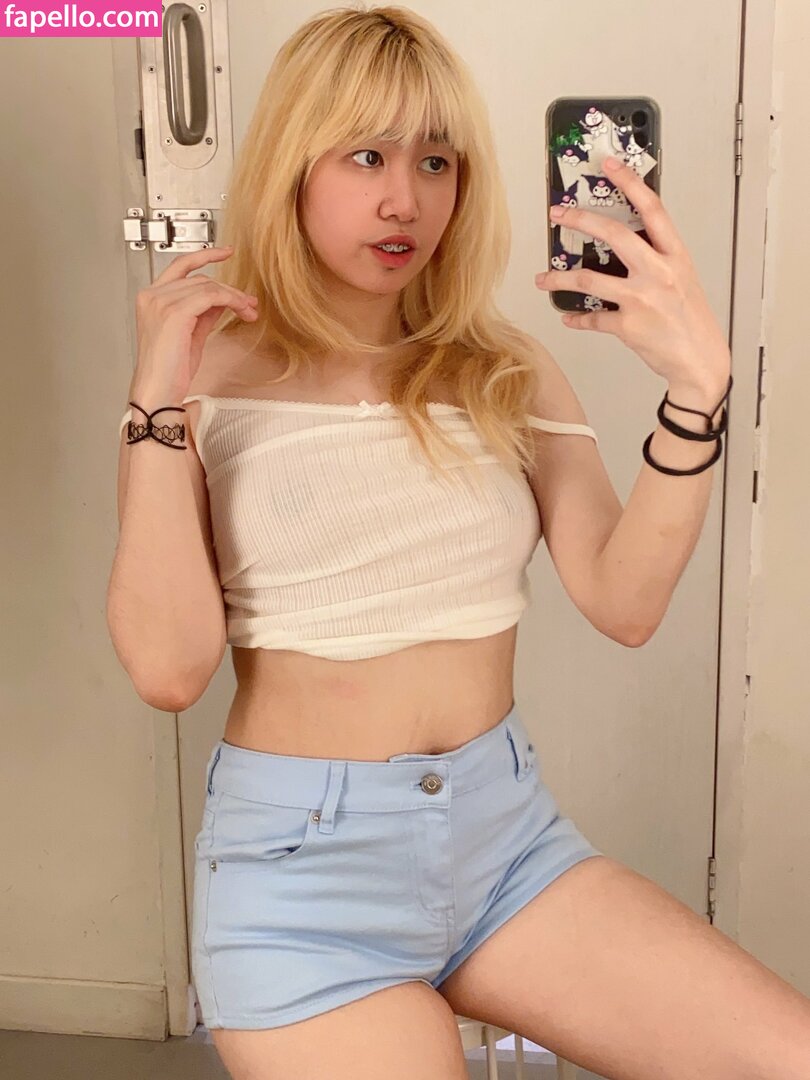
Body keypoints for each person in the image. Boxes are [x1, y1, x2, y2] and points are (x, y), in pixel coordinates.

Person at [108, 6, 810, 1080]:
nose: (407, 199)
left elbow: (624, 602)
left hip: (507, 848)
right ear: (294, 166)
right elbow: (169, 669)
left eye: (435, 161)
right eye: (366, 156)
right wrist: (155, 400)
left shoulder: (503, 370)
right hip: (302, 882)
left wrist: (696, 391)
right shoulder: (203, 378)